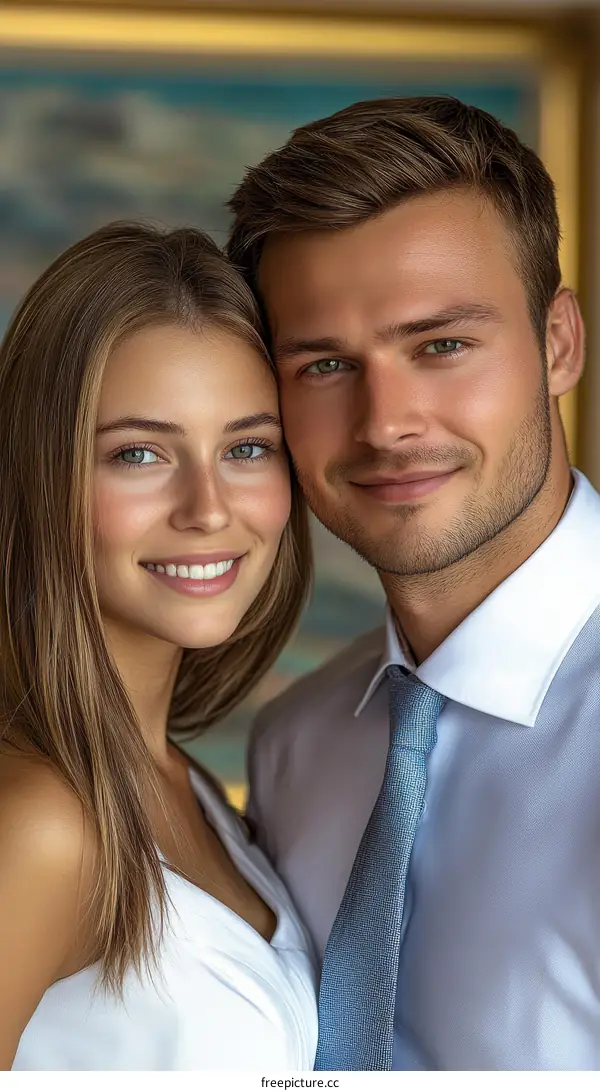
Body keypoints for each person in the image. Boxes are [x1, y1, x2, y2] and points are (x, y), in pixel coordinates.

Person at [228, 96, 600, 1071]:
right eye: (323, 364)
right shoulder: (295, 744)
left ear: (559, 342)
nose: (384, 420)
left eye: (441, 344)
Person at [0, 222, 317, 1071]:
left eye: (247, 447)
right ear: (41, 471)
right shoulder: (43, 824)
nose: (209, 508)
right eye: (139, 453)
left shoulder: (194, 786)